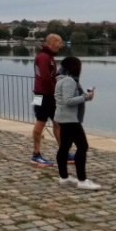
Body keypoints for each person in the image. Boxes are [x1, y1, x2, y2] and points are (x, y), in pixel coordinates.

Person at [55, 56, 100, 190]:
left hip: (63, 118)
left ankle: (64, 177)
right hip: (70, 119)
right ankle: (82, 180)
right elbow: (68, 100)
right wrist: (86, 96)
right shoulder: (69, 80)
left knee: (64, 146)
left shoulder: (61, 79)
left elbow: (67, 99)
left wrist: (86, 97)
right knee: (83, 146)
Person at [30, 34, 69, 166]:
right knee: (40, 122)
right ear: (52, 42)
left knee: (57, 123)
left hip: (48, 95)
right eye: (60, 42)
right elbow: (45, 78)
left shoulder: (49, 56)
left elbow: (50, 77)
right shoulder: (44, 57)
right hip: (42, 95)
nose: (61, 45)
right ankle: (36, 154)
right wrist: (56, 93)